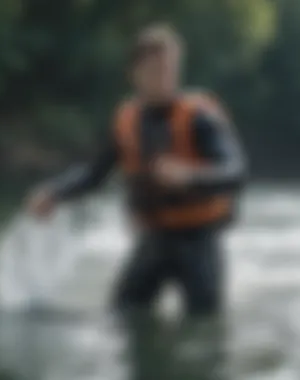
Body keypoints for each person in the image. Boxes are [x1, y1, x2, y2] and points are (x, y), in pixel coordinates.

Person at [25, 24, 247, 318]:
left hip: (199, 243)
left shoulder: (199, 118)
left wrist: (190, 176)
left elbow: (236, 171)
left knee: (202, 326)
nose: (165, 77)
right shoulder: (126, 121)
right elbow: (95, 175)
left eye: (170, 68)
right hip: (153, 239)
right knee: (122, 316)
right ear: (134, 73)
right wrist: (54, 193)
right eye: (155, 69)